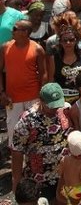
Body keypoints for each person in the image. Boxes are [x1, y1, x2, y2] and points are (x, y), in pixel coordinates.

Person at [11, 83, 72, 202]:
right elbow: (17, 151)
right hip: (39, 179)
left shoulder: (65, 110)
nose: (55, 109)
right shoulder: (27, 120)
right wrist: (16, 181)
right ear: (41, 101)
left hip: (63, 176)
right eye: (51, 106)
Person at [0, 19, 47, 148]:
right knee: (14, 137)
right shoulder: (5, 47)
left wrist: (41, 96)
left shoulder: (37, 49)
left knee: (34, 135)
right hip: (12, 99)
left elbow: (43, 73)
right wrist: (2, 92)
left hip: (33, 98)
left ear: (25, 32)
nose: (12, 31)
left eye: (15, 28)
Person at [49, 25, 81, 104]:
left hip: (80, 101)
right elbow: (50, 80)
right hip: (60, 101)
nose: (68, 43)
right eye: (65, 40)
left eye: (71, 40)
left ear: (76, 40)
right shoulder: (54, 58)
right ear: (60, 42)